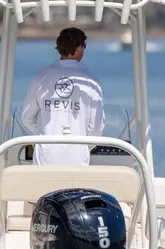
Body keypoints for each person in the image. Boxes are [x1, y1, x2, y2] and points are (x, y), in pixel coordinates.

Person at [21, 27, 105, 165]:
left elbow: (27, 118)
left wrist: (46, 135)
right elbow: (96, 128)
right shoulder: (91, 82)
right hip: (77, 159)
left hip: (45, 159)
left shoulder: (41, 76)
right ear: (79, 48)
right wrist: (82, 145)